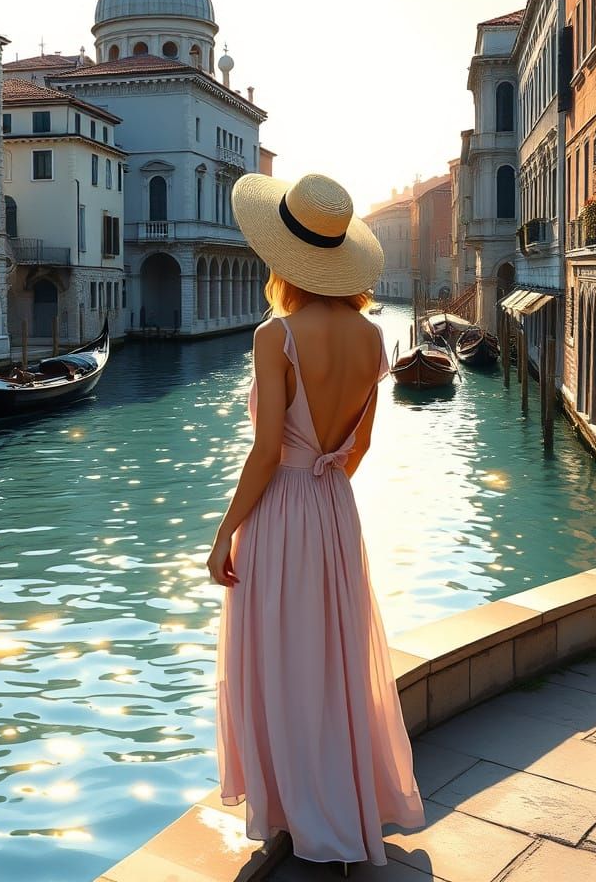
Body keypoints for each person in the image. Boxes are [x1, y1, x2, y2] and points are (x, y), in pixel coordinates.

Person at [209, 172, 425, 875]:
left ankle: (295, 808)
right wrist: (322, 492)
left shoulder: (276, 336)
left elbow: (268, 450)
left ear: (285, 258)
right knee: (330, 659)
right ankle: (336, 799)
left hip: (283, 511)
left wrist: (224, 533)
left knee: (283, 657)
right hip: (334, 508)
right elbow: (355, 449)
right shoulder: (373, 341)